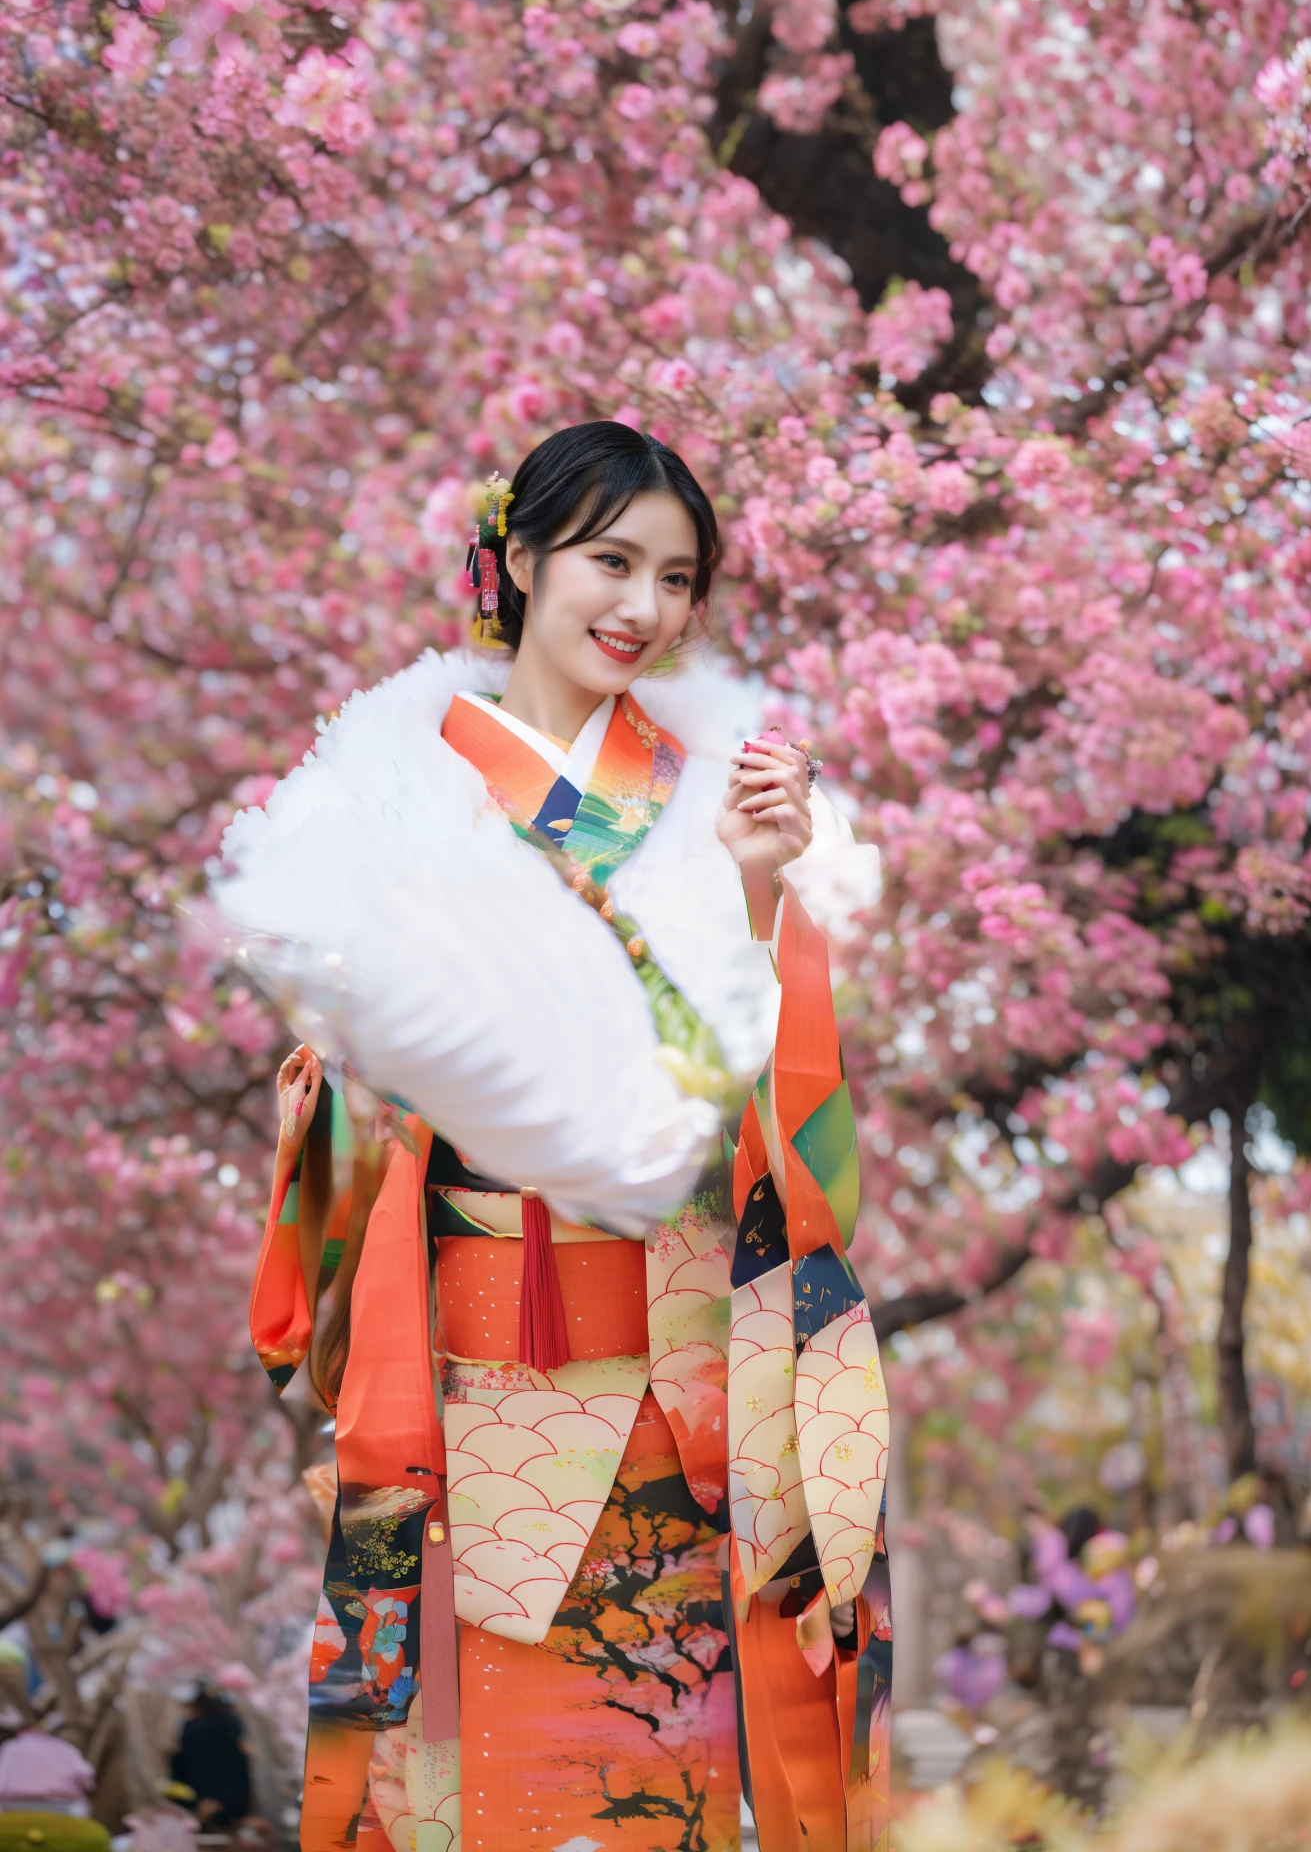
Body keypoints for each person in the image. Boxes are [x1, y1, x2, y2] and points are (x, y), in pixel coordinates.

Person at [213, 422, 892, 1852]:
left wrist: (765, 898)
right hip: (463, 1401)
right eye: (608, 561)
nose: (641, 606)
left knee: (659, 1786)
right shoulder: (393, 786)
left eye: (677, 577)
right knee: (460, 1787)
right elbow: (346, 1079)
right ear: (518, 561)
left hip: (671, 1404)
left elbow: (794, 1133)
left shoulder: (717, 803)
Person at [168, 1689, 251, 1831]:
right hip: (231, 1798)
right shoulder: (233, 1726)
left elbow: (180, 1765)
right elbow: (240, 1767)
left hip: (195, 1796)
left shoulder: (190, 1729)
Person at [0, 1721, 95, 1816]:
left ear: (20, 1733)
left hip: (15, 1804)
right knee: (83, 1806)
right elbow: (85, 1774)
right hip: (62, 1805)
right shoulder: (63, 1746)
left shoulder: (11, 1746)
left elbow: (2, 1776)